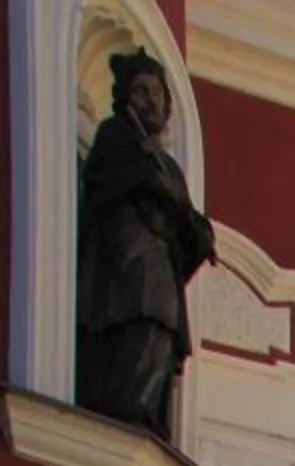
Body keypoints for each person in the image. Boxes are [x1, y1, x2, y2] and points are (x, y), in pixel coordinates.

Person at [76, 52, 214, 439]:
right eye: (141, 92)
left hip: (159, 269)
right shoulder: (116, 138)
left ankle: (144, 417)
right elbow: (110, 182)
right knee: (138, 330)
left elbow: (187, 219)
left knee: (161, 333)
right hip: (125, 264)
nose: (152, 101)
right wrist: (154, 185)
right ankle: (125, 411)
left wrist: (199, 233)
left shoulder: (169, 166)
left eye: (158, 93)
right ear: (125, 100)